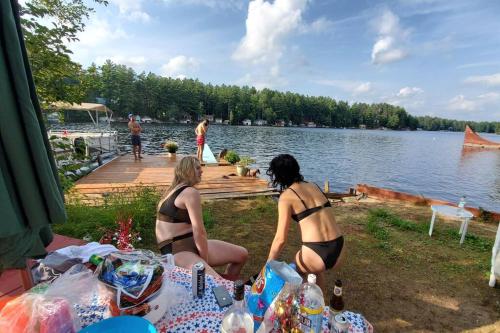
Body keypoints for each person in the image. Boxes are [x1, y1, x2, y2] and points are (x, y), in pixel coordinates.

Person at [155, 156, 248, 278]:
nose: (202, 171)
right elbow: (199, 231)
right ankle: (224, 288)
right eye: (198, 168)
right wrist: (205, 260)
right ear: (188, 170)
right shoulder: (189, 193)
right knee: (217, 284)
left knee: (242, 254)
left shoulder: (173, 190)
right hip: (177, 250)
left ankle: (230, 284)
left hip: (189, 242)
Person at [266, 154, 344, 290]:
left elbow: (280, 239)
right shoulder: (314, 186)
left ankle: (298, 305)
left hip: (316, 252)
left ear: (278, 176)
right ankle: (319, 301)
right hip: (339, 247)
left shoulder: (286, 197)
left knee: (293, 274)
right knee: (314, 269)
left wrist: (268, 265)